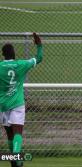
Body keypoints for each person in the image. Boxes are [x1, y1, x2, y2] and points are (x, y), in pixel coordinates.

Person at [0, 33, 43, 167]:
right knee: (18, 132)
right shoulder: (21, 64)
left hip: (3, 105)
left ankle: (15, 162)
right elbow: (39, 58)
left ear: (3, 55)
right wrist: (39, 45)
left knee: (10, 135)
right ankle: (16, 157)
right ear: (14, 54)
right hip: (17, 104)